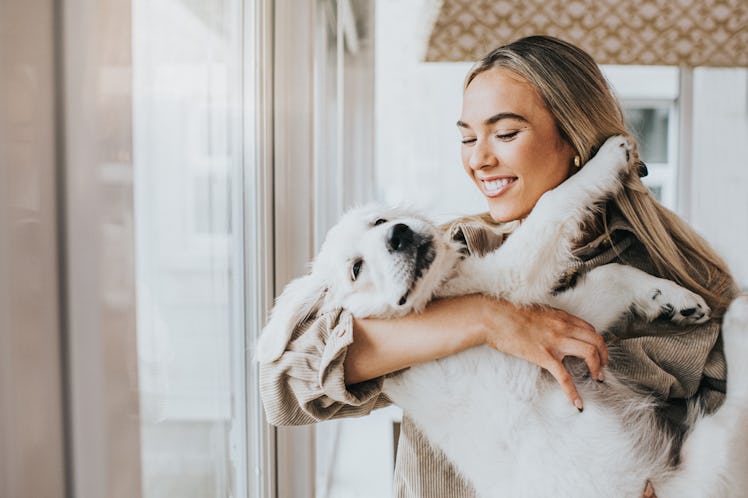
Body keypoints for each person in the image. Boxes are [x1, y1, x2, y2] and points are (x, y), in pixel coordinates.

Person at [259, 36, 738, 498]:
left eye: (505, 133)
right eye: (467, 138)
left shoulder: (676, 277)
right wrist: (487, 319)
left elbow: (719, 442)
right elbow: (282, 385)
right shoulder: (449, 258)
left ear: (574, 136)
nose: (479, 159)